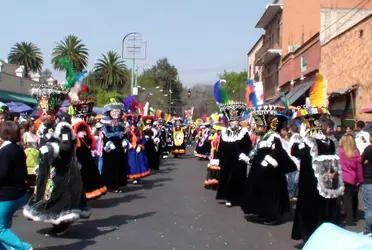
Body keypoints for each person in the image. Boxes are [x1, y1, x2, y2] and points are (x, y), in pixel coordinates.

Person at [291, 109, 344, 242]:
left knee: (319, 210)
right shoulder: (318, 142)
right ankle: (317, 236)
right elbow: (295, 152)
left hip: (318, 184)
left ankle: (316, 236)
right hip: (318, 183)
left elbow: (334, 161)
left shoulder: (324, 142)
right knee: (319, 210)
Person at [242, 106, 297, 224]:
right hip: (261, 172)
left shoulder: (274, 136)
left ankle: (272, 216)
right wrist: (250, 159)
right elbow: (257, 152)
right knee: (261, 193)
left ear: (265, 126)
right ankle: (263, 213)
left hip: (272, 173)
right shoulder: (262, 137)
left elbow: (278, 152)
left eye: (259, 126)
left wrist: (267, 161)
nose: (257, 128)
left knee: (271, 194)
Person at [0, 121, 32, 250]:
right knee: (4, 227)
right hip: (19, 194)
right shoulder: (18, 149)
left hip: (6, 196)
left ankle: (24, 247)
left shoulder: (5, 151)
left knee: (0, 229)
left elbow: (2, 174)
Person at [214, 102, 252, 207]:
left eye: (235, 120)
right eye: (231, 121)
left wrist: (244, 155)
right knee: (226, 178)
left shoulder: (243, 132)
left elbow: (247, 146)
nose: (233, 123)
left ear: (238, 121)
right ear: (229, 122)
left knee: (236, 179)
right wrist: (217, 158)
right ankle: (228, 197)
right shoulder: (224, 132)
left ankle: (236, 198)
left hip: (238, 161)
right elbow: (220, 146)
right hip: (226, 161)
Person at [339, 135, 363, 226]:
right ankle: (354, 215)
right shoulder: (355, 153)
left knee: (347, 199)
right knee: (354, 197)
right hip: (354, 178)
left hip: (344, 178)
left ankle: (349, 218)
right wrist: (360, 180)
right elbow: (359, 169)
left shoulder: (341, 152)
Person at [361, 127, 372, 235]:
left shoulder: (369, 149)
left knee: (369, 208)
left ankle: (369, 230)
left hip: (369, 180)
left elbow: (361, 160)